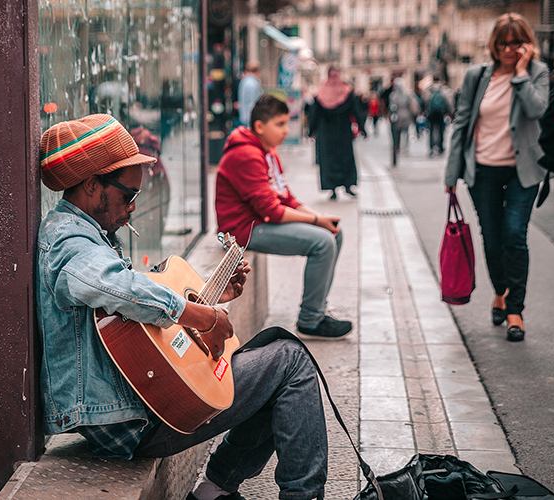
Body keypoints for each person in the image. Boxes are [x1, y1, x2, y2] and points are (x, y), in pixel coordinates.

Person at [37, 113, 331, 500]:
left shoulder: (86, 232)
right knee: (290, 361)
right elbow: (118, 286)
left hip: (132, 399)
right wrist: (203, 317)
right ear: (92, 185)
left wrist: (211, 296)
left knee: (272, 368)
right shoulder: (68, 241)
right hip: (127, 417)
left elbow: (132, 320)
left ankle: (213, 492)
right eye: (128, 196)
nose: (132, 208)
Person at [444, 13, 548, 342]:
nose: (508, 50)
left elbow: (537, 110)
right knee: (492, 239)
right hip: (483, 169)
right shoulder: (477, 76)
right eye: (502, 44)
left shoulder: (537, 73)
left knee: (514, 236)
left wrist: (520, 74)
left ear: (526, 45)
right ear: (494, 45)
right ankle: (500, 291)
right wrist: (451, 172)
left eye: (515, 44)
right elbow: (462, 122)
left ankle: (515, 310)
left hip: (523, 170)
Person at [217, 94, 353, 339]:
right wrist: (315, 221)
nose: (286, 130)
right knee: (322, 242)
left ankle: (319, 308)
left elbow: (286, 198)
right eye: (279, 124)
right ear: (260, 127)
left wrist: (320, 217)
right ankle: (311, 319)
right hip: (243, 231)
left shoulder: (267, 152)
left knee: (334, 232)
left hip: (259, 222)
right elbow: (272, 211)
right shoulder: (246, 154)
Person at [307, 67, 365, 199]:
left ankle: (332, 188)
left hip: (325, 133)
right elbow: (357, 112)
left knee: (328, 161)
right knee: (346, 159)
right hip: (343, 132)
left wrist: (311, 131)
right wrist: (362, 128)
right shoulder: (347, 92)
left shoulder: (321, 92)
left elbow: (313, 115)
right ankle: (348, 185)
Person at [388, 78, 420, 163]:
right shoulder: (407, 94)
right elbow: (415, 103)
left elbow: (392, 107)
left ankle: (398, 147)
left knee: (397, 132)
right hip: (407, 115)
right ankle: (405, 147)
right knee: (406, 132)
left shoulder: (393, 95)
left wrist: (393, 114)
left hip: (398, 116)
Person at [422, 75, 455, 156]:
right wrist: (451, 111)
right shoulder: (443, 89)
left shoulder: (429, 89)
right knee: (441, 130)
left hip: (431, 112)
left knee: (431, 129)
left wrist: (425, 109)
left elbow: (424, 99)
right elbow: (449, 100)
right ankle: (440, 147)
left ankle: (431, 147)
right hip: (440, 112)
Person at [237, 60, 262, 127]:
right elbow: (252, 101)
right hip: (250, 117)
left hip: (243, 115)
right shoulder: (253, 83)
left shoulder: (244, 81)